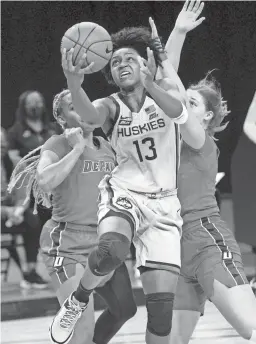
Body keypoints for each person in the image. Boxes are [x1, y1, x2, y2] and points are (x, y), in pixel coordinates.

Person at [50, 19, 188, 344]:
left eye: (130, 59)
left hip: (165, 204)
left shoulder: (164, 93)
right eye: (115, 62)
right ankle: (80, 298)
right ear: (110, 75)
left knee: (161, 312)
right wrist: (74, 81)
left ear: (144, 65)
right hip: (124, 193)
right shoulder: (111, 105)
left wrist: (153, 81)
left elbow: (179, 112)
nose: (122, 64)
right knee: (111, 250)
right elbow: (89, 115)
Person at [152, 1, 256, 342]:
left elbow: (174, 94)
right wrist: (175, 38)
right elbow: (164, 86)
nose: (183, 105)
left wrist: (173, 43)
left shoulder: (201, 140)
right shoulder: (169, 138)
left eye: (193, 103)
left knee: (250, 328)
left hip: (207, 240)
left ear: (208, 116)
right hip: (175, 247)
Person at [9, 88, 137, 344]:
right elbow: (44, 181)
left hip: (102, 241)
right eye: (72, 107)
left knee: (125, 309)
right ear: (61, 118)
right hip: (67, 243)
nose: (81, 110)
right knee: (82, 327)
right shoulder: (57, 143)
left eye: (84, 103)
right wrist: (77, 148)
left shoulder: (107, 146)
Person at [1, 127, 48, 288]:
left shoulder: (15, 164)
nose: (2, 148)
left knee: (33, 220)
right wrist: (7, 212)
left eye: (3, 145)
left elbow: (23, 194)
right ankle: (25, 271)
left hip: (13, 214)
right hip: (3, 213)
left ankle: (30, 271)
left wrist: (18, 210)